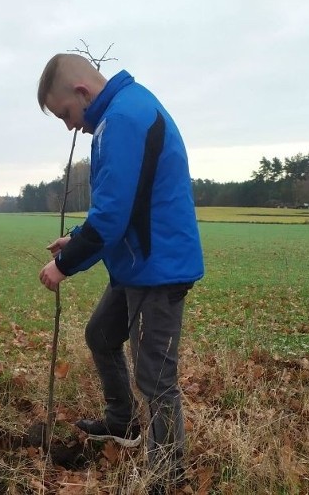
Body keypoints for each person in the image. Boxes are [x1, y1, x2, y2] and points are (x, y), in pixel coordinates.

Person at [36, 54, 204, 489]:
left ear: (81, 93)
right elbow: (120, 200)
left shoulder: (125, 118)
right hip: (137, 264)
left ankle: (167, 474)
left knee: (156, 379)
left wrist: (62, 266)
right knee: (102, 335)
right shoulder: (122, 112)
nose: (71, 125)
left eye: (66, 115)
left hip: (158, 269)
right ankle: (122, 423)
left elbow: (110, 216)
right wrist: (77, 237)